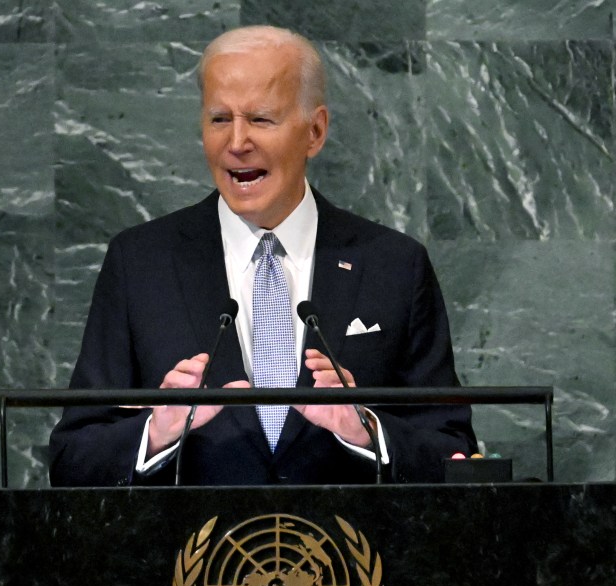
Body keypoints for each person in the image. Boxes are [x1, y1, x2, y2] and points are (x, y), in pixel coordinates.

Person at [49, 25, 476, 487]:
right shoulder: (140, 263)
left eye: (260, 119)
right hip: (191, 555)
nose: (236, 143)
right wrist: (158, 431)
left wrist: (365, 430)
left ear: (314, 132)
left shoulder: (394, 265)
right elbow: (73, 458)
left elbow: (454, 453)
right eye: (218, 119)